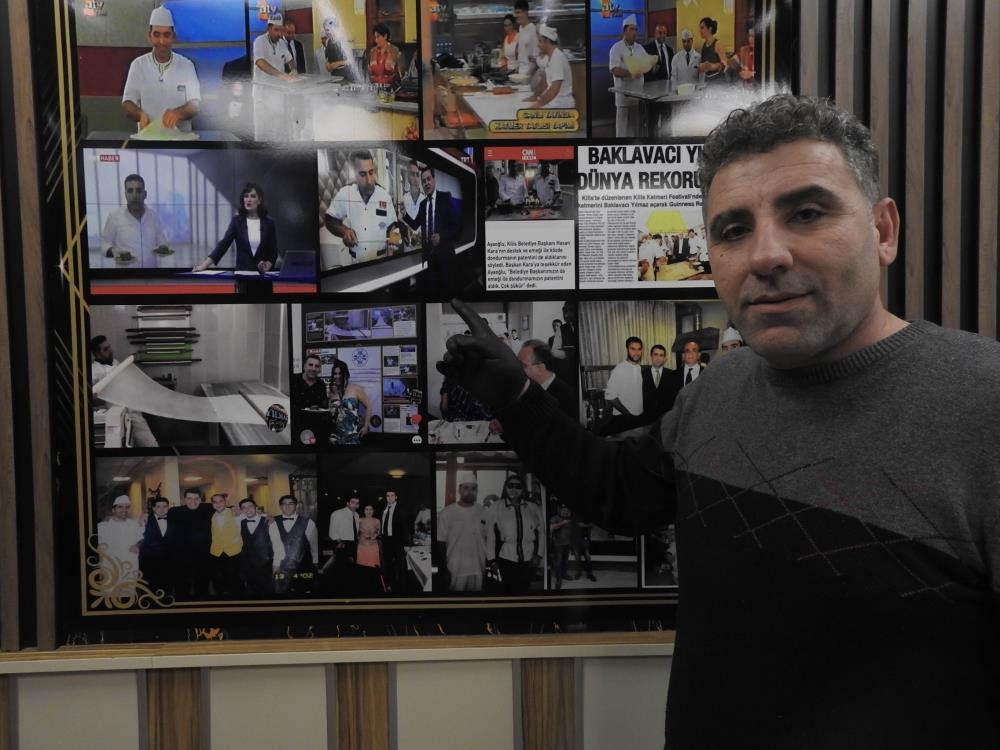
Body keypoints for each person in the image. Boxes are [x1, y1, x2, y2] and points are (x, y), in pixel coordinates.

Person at [437, 93, 1000, 746]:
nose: (766, 255)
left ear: (883, 230)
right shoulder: (720, 388)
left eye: (807, 213)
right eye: (733, 230)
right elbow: (614, 489)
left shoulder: (984, 403)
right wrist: (516, 396)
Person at [121, 7, 201, 134]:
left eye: (166, 35)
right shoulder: (138, 65)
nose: (162, 41)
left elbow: (195, 105)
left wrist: (178, 113)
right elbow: (127, 103)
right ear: (149, 36)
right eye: (156, 35)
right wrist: (139, 114)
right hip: (147, 138)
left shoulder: (186, 65)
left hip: (181, 139)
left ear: (173, 37)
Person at [192, 183, 278, 282]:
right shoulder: (237, 221)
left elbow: (273, 251)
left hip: (262, 277)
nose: (248, 199)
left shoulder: (269, 223)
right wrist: (203, 266)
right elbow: (223, 245)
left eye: (253, 196)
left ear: (259, 200)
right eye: (246, 196)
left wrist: (268, 264)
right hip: (242, 275)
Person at [325, 149, 398, 264]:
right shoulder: (346, 193)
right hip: (356, 262)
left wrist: (394, 242)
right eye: (363, 174)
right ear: (354, 173)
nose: (369, 181)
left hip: (381, 260)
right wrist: (344, 231)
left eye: (371, 172)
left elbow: (393, 226)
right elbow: (329, 219)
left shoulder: (385, 196)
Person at [90, 334, 159, 447]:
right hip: (117, 416)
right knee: (122, 446)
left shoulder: (115, 363)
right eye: (106, 349)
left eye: (109, 347)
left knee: (151, 445)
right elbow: (91, 394)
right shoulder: (94, 371)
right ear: (97, 354)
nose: (110, 351)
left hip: (133, 412)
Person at [485, 473, 542, 593]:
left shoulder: (533, 507)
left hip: (529, 557)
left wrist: (539, 555)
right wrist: (492, 560)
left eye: (518, 486)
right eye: (510, 486)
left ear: (523, 489)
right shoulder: (496, 507)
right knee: (507, 590)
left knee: (524, 589)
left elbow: (541, 532)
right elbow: (490, 535)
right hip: (506, 557)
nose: (514, 489)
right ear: (505, 487)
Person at [435, 471, 488, 591]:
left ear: (477, 490)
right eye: (466, 488)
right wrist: (443, 569)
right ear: (459, 490)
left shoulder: (483, 512)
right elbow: (440, 542)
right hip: (455, 567)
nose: (470, 492)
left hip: (478, 567)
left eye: (473, 488)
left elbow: (488, 539)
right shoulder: (447, 513)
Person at [101, 174, 170, 266]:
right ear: (125, 194)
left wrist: (163, 247)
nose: (134, 195)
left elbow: (162, 242)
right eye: (130, 191)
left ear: (145, 194)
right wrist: (113, 251)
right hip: (125, 274)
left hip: (152, 272)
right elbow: (104, 245)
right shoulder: (114, 216)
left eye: (138, 191)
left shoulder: (153, 216)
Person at [252, 12, 296, 141]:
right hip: (262, 96)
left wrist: (293, 70)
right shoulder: (259, 41)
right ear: (269, 28)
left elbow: (290, 60)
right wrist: (282, 75)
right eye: (276, 30)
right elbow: (260, 63)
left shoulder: (281, 43)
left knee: (277, 134)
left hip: (277, 95)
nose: (279, 34)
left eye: (281, 30)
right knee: (262, 135)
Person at [166, 489, 214, 599]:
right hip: (182, 558)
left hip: (203, 557)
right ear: (184, 499)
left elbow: (224, 509)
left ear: (200, 499)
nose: (193, 502)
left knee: (202, 587)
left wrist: (234, 510)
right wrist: (146, 515)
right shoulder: (174, 511)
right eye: (189, 498)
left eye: (196, 499)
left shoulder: (209, 508)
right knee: (182, 588)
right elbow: (160, 515)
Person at [273, 494, 318, 594]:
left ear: (296, 506)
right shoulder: (273, 522)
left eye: (291, 504)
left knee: (303, 593)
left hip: (303, 565)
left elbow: (314, 546)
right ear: (280, 506)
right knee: (282, 594)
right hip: (281, 567)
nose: (287, 507)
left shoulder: (308, 522)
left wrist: (315, 564)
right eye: (284, 504)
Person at [517, 339, 575, 417]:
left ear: (540, 368)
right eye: (517, 364)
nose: (517, 369)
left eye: (522, 365)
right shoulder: (527, 388)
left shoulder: (566, 398)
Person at [96, 495, 145, 585]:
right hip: (110, 567)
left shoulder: (135, 524)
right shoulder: (102, 526)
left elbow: (141, 538)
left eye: (127, 507)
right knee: (109, 591)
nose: (124, 510)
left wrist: (137, 545)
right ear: (113, 510)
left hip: (130, 567)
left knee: (129, 591)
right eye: (120, 507)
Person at [609, 15, 645, 138]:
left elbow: (646, 64)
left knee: (635, 130)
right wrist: (631, 73)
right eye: (631, 29)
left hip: (637, 96)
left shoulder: (639, 48)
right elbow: (615, 70)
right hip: (623, 97)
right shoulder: (616, 48)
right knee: (622, 130)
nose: (634, 32)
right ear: (624, 31)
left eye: (635, 29)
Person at [238, 498, 281, 597]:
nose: (247, 509)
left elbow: (277, 543)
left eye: (250, 506)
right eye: (244, 508)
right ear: (241, 511)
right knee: (251, 590)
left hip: (266, 563)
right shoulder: (240, 522)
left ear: (256, 508)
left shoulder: (268, 521)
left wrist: (277, 563)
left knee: (268, 591)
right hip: (248, 564)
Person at [602, 336, 644, 435]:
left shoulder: (639, 368)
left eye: (639, 349)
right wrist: (627, 414)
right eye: (632, 349)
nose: (636, 352)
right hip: (623, 418)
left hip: (639, 417)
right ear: (627, 350)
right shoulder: (619, 369)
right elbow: (610, 397)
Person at [525, 25, 574, 110]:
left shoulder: (557, 58)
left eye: (540, 41)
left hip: (562, 106)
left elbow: (554, 88)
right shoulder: (550, 57)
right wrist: (535, 96)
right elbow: (545, 81)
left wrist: (538, 105)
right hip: (554, 103)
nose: (538, 45)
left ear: (547, 41)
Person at [328, 358, 372, 445]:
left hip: (352, 436)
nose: (337, 376)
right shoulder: (331, 392)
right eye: (335, 374)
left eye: (340, 373)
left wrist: (366, 426)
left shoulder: (355, 388)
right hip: (334, 437)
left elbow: (369, 406)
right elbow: (330, 414)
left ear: (346, 374)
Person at [208, 493, 242, 597]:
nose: (218, 504)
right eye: (215, 502)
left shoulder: (235, 512)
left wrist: (268, 517)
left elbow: (252, 515)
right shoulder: (211, 516)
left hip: (233, 552)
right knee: (218, 582)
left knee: (235, 581)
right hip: (216, 553)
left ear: (225, 502)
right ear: (212, 504)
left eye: (221, 501)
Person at [139, 495, 172, 595]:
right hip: (150, 560)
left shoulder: (174, 519)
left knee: (167, 587)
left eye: (164, 506)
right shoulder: (145, 520)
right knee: (150, 589)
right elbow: (138, 537)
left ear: (168, 507)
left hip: (168, 560)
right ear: (153, 508)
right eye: (158, 506)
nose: (162, 509)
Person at [380, 490, 410, 590]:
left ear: (396, 497)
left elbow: (405, 527)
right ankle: (389, 585)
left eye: (392, 495)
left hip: (397, 542)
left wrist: (406, 543)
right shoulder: (384, 509)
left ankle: (402, 588)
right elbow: (382, 525)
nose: (390, 498)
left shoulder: (401, 509)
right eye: (388, 496)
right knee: (388, 564)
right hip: (386, 541)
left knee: (400, 565)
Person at [640, 344, 676, 424]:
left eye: (661, 355)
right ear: (651, 356)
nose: (658, 358)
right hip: (646, 418)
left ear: (664, 358)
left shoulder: (672, 374)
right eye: (655, 354)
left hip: (666, 419)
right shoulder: (642, 374)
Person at [327, 495, 360, 570]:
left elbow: (356, 531)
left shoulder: (357, 515)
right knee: (341, 569)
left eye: (357, 503)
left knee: (352, 569)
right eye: (353, 502)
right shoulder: (337, 513)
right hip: (342, 544)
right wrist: (340, 543)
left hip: (354, 545)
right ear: (347, 503)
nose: (355, 505)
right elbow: (332, 532)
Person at [322, 15, 357, 82]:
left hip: (347, 77)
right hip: (335, 77)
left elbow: (351, 61)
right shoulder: (328, 42)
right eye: (326, 30)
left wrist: (336, 64)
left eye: (328, 30)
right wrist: (329, 66)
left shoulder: (345, 40)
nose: (327, 32)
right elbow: (328, 64)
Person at [367, 23, 401, 87]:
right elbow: (369, 73)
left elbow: (400, 74)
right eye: (375, 37)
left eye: (378, 37)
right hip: (375, 88)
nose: (376, 40)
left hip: (391, 89)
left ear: (385, 36)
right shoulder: (372, 51)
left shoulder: (394, 50)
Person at [512, 0, 539, 77]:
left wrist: (528, 74)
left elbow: (536, 57)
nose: (516, 15)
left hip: (529, 73)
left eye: (518, 12)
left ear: (526, 13)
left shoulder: (533, 30)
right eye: (515, 13)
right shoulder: (520, 28)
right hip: (520, 71)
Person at [697, 16, 725, 86]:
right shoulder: (704, 45)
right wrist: (701, 67)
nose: (700, 31)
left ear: (709, 29)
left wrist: (713, 66)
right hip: (708, 81)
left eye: (702, 28)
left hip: (719, 81)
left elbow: (725, 65)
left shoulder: (718, 44)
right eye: (700, 28)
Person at [356, 504, 382, 569]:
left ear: (373, 511)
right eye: (366, 509)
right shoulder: (359, 520)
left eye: (370, 509)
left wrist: (375, 535)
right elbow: (354, 532)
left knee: (373, 565)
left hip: (373, 545)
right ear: (364, 511)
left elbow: (379, 532)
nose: (368, 511)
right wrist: (359, 537)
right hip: (362, 545)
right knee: (362, 565)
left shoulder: (377, 520)